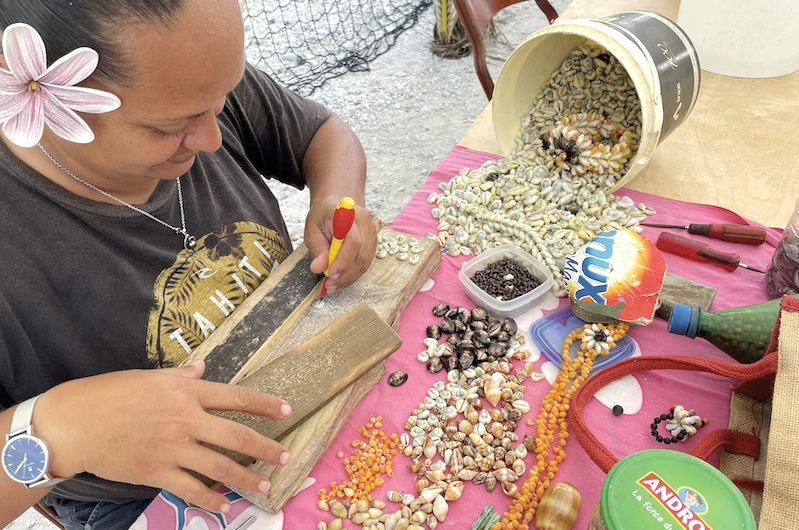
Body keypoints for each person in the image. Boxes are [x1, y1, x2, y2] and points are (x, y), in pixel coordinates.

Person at [0, 0, 377, 528]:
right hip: (140, 493)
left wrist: (339, 200)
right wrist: (59, 432)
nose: (212, 139)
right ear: (42, 93)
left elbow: (321, 134)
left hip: (306, 371)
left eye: (222, 100)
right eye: (168, 127)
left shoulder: (193, 79)